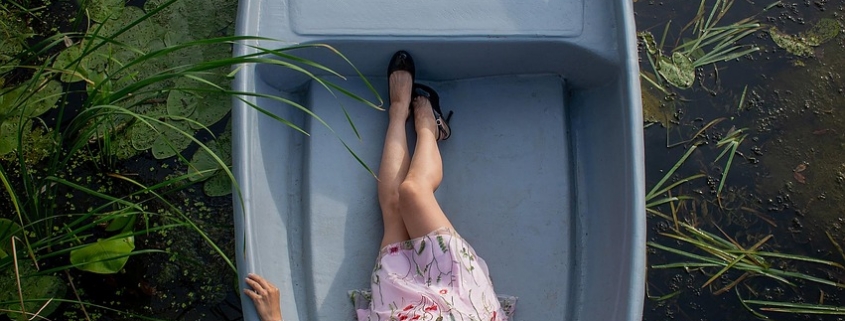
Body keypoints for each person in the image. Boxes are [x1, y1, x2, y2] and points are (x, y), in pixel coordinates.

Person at [244, 50, 508, 321]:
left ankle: (397, 112)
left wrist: (274, 317)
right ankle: (429, 127)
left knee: (394, 208)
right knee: (413, 192)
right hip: (461, 306)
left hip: (401, 311)